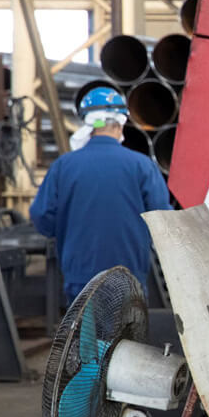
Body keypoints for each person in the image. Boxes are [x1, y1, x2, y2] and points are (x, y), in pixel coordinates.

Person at [30, 87, 171, 304]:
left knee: (84, 326)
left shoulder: (63, 166)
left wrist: (66, 232)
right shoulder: (142, 166)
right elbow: (163, 220)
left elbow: (42, 216)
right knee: (127, 327)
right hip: (129, 278)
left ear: (87, 124)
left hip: (80, 277)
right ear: (121, 123)